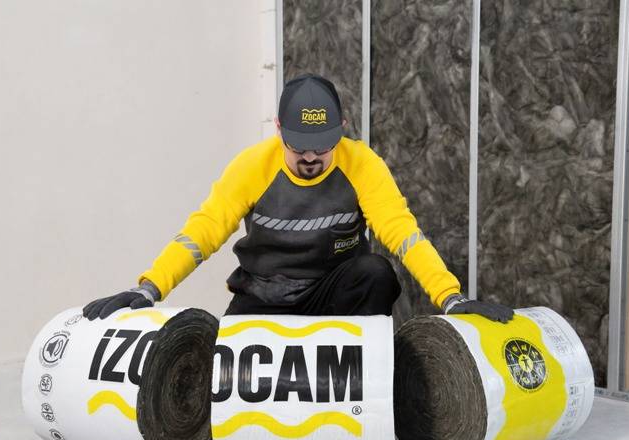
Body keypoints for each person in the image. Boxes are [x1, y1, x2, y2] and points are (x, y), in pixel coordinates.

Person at [83, 74, 513, 323]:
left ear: (342, 127)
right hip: (264, 295)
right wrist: (149, 288)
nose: (310, 157)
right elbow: (203, 231)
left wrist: (450, 297)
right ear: (278, 129)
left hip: (335, 295)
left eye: (322, 146)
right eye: (298, 146)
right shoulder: (253, 166)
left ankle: (362, 385)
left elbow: (403, 233)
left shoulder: (362, 164)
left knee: (375, 272)